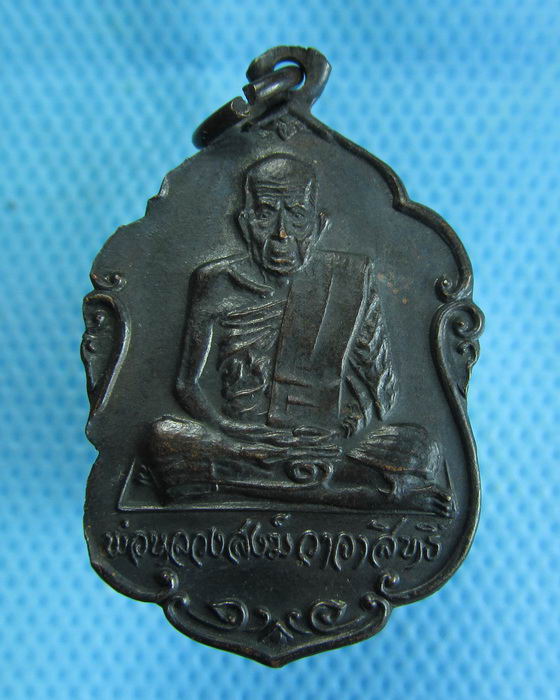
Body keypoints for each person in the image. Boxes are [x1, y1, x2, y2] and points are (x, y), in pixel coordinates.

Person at [149, 154, 452, 515]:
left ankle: (240, 482)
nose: (281, 234)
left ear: (318, 224)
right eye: (266, 214)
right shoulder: (216, 282)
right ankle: (361, 492)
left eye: (295, 215)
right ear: (245, 223)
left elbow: (379, 391)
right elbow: (186, 384)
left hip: (324, 441)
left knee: (421, 448)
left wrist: (342, 430)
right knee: (163, 435)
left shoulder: (348, 279)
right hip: (242, 439)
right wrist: (235, 431)